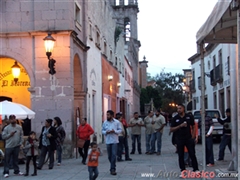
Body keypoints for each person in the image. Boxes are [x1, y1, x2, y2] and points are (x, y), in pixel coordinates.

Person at [170, 104, 199, 174]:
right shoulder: (175, 118)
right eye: (177, 109)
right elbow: (171, 129)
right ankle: (183, 169)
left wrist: (193, 136)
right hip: (179, 139)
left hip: (188, 138)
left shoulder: (189, 117)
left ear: (183, 109)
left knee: (192, 154)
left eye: (180, 108)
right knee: (181, 155)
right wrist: (180, 126)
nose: (178, 110)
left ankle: (195, 169)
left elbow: (193, 126)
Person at [102, 110, 122, 175]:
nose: (107, 116)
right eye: (106, 115)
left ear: (112, 115)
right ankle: (112, 164)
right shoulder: (105, 122)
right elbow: (102, 130)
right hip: (108, 140)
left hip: (114, 140)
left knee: (114, 155)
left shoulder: (117, 122)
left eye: (108, 115)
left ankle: (112, 169)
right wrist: (106, 132)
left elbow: (120, 130)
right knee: (109, 156)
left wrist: (115, 131)